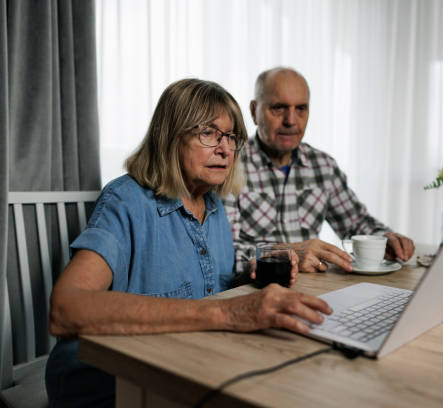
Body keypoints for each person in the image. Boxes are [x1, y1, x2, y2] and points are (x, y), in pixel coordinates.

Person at [44, 79, 332, 407]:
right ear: (170, 136)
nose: (225, 149)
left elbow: (207, 289)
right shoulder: (126, 201)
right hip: (107, 379)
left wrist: (252, 276)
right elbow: (65, 309)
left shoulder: (212, 205)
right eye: (208, 134)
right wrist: (226, 312)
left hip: (179, 365)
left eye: (231, 137)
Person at [223, 67, 415, 275]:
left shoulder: (323, 166)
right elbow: (225, 255)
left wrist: (384, 238)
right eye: (279, 108)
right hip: (254, 291)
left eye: (301, 109)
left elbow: (356, 224)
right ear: (253, 111)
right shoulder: (228, 165)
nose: (291, 120)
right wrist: (287, 256)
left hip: (313, 288)